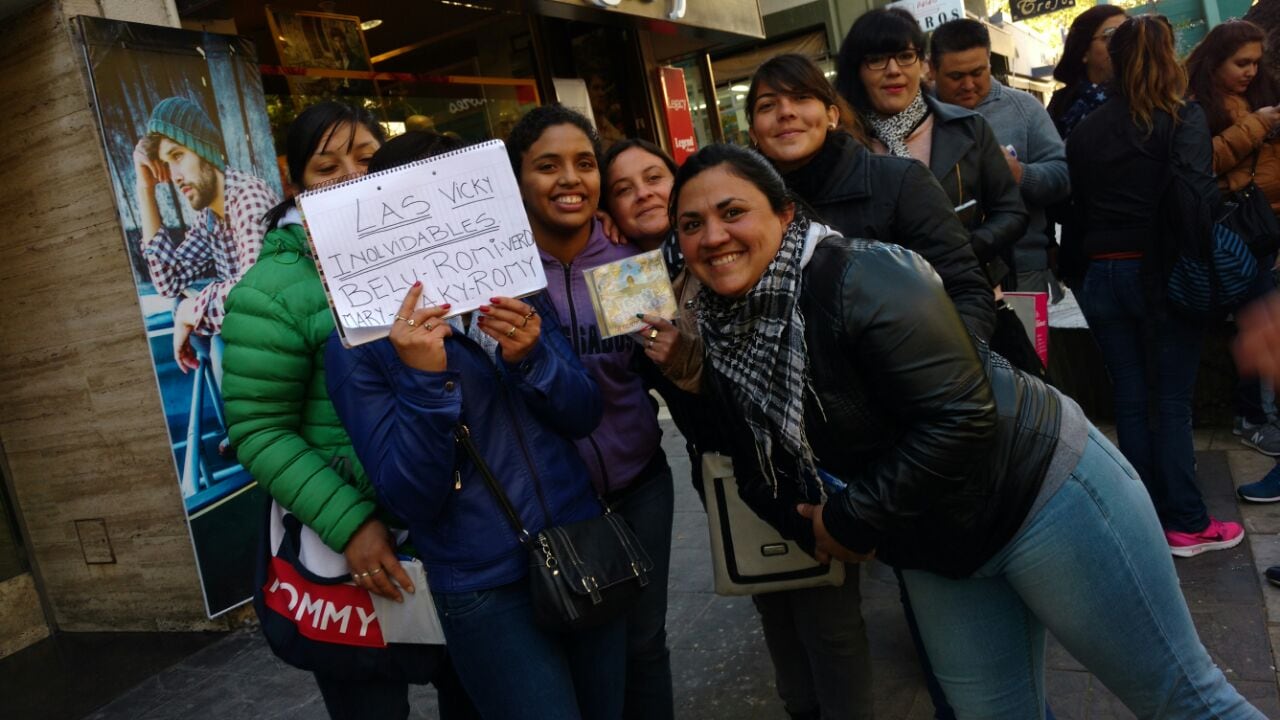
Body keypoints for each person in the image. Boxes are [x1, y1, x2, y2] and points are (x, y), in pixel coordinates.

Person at [673, 140, 1265, 720]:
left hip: (1041, 494)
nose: (713, 237)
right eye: (691, 224)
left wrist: (851, 519)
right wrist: (692, 387)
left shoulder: (861, 274)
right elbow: (750, 459)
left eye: (732, 212)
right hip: (934, 542)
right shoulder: (721, 334)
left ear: (784, 214)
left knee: (1181, 700)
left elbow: (963, 417)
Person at [325, 129, 626, 720]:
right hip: (483, 583)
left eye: (466, 203)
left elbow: (584, 413)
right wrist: (423, 379)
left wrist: (533, 358)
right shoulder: (359, 339)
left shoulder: (517, 289)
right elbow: (413, 494)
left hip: (579, 542)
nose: (447, 226)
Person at [740, 52, 1001, 720]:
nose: (785, 113)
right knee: (828, 624)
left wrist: (945, 390)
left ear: (832, 112)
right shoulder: (749, 209)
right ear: (752, 129)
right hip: (823, 450)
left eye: (799, 98)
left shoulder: (895, 184)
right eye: (767, 105)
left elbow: (966, 288)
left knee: (946, 622)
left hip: (921, 442)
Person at [222, 106, 476, 719]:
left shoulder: (438, 256)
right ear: (297, 181)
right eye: (326, 165)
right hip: (348, 548)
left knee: (474, 693)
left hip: (457, 531)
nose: (351, 176)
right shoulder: (273, 288)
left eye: (366, 158)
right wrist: (352, 524)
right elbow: (259, 429)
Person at [507, 106, 675, 720]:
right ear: (519, 179)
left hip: (641, 483)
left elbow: (654, 370)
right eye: (547, 166)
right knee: (584, 648)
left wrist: (679, 348)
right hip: (552, 502)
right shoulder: (503, 272)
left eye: (583, 163)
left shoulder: (626, 259)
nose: (569, 179)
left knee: (644, 643)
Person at [1067, 16, 1245, 557]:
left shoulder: (1087, 128)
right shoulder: (1182, 117)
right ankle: (1187, 523)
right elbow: (1196, 200)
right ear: (1171, 59)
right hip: (1163, 274)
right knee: (1170, 403)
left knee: (1129, 397)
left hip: (1102, 275)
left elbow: (1075, 206)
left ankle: (1140, 520)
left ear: (1114, 59)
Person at [834, 7, 1027, 290]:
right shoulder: (843, 148)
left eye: (904, 56)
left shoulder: (969, 129)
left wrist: (958, 252)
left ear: (922, 64)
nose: (893, 71)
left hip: (974, 292)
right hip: (889, 306)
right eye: (876, 60)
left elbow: (1012, 214)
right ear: (857, 71)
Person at [1186, 20, 1280, 477]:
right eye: (1240, 63)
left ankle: (1260, 415)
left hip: (1267, 226)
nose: (1249, 71)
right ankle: (1253, 418)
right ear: (1215, 61)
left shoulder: (1262, 97)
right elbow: (1203, 163)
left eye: (1255, 63)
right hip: (1232, 230)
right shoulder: (1197, 106)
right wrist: (1257, 127)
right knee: (1255, 321)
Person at [133, 95, 279, 376]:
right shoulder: (210, 217)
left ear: (205, 150)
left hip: (284, 347)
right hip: (256, 349)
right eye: (167, 163)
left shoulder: (247, 196)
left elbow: (255, 297)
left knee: (214, 340)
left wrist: (194, 308)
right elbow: (168, 281)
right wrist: (145, 189)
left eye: (178, 156)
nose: (174, 176)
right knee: (182, 307)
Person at [931, 19, 1070, 297]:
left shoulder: (1025, 108)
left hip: (1022, 271)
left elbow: (1063, 178)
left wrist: (1021, 174)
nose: (968, 84)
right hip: (942, 274)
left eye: (978, 72)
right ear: (933, 70)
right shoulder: (921, 115)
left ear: (989, 64)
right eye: (956, 76)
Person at [1046, 5, 1129, 140]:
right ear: (1084, 51)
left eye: (1129, 35)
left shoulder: (1148, 94)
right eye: (1111, 35)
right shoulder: (1061, 105)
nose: (1123, 44)